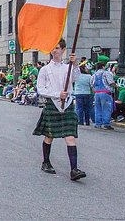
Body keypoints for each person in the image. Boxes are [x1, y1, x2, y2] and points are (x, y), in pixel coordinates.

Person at [33, 39, 85, 181]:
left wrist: (74, 65)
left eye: (57, 48)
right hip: (53, 104)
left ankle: (74, 169)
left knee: (70, 137)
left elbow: (75, 78)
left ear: (63, 50)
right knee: (49, 136)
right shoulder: (45, 70)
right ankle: (46, 162)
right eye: (53, 48)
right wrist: (57, 94)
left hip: (67, 105)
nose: (55, 51)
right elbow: (41, 89)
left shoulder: (67, 68)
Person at [91, 56, 117, 130]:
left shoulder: (94, 74)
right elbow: (111, 82)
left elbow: (92, 84)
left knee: (97, 108)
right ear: (103, 66)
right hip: (106, 93)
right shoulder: (106, 73)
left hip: (97, 93)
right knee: (106, 108)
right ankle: (106, 124)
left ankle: (98, 123)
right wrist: (116, 86)